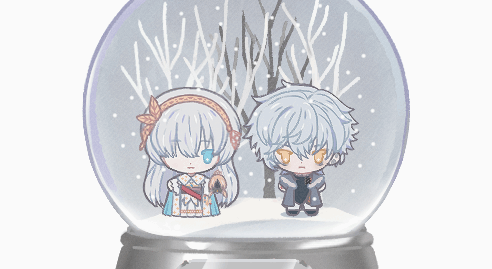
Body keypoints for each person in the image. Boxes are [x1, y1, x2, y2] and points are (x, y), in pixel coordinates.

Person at [245, 83, 357, 216]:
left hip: (311, 195)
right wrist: (290, 184)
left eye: (318, 156)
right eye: (286, 156)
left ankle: (310, 206)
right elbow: (283, 181)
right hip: (293, 196)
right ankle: (293, 207)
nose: (302, 163)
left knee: (311, 199)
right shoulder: (287, 174)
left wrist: (313, 184)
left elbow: (320, 181)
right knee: (293, 200)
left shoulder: (316, 174)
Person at [137, 88, 241, 217]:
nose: (191, 161)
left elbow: (210, 198)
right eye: (174, 152)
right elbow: (171, 198)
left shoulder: (205, 182)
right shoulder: (176, 182)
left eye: (206, 152)